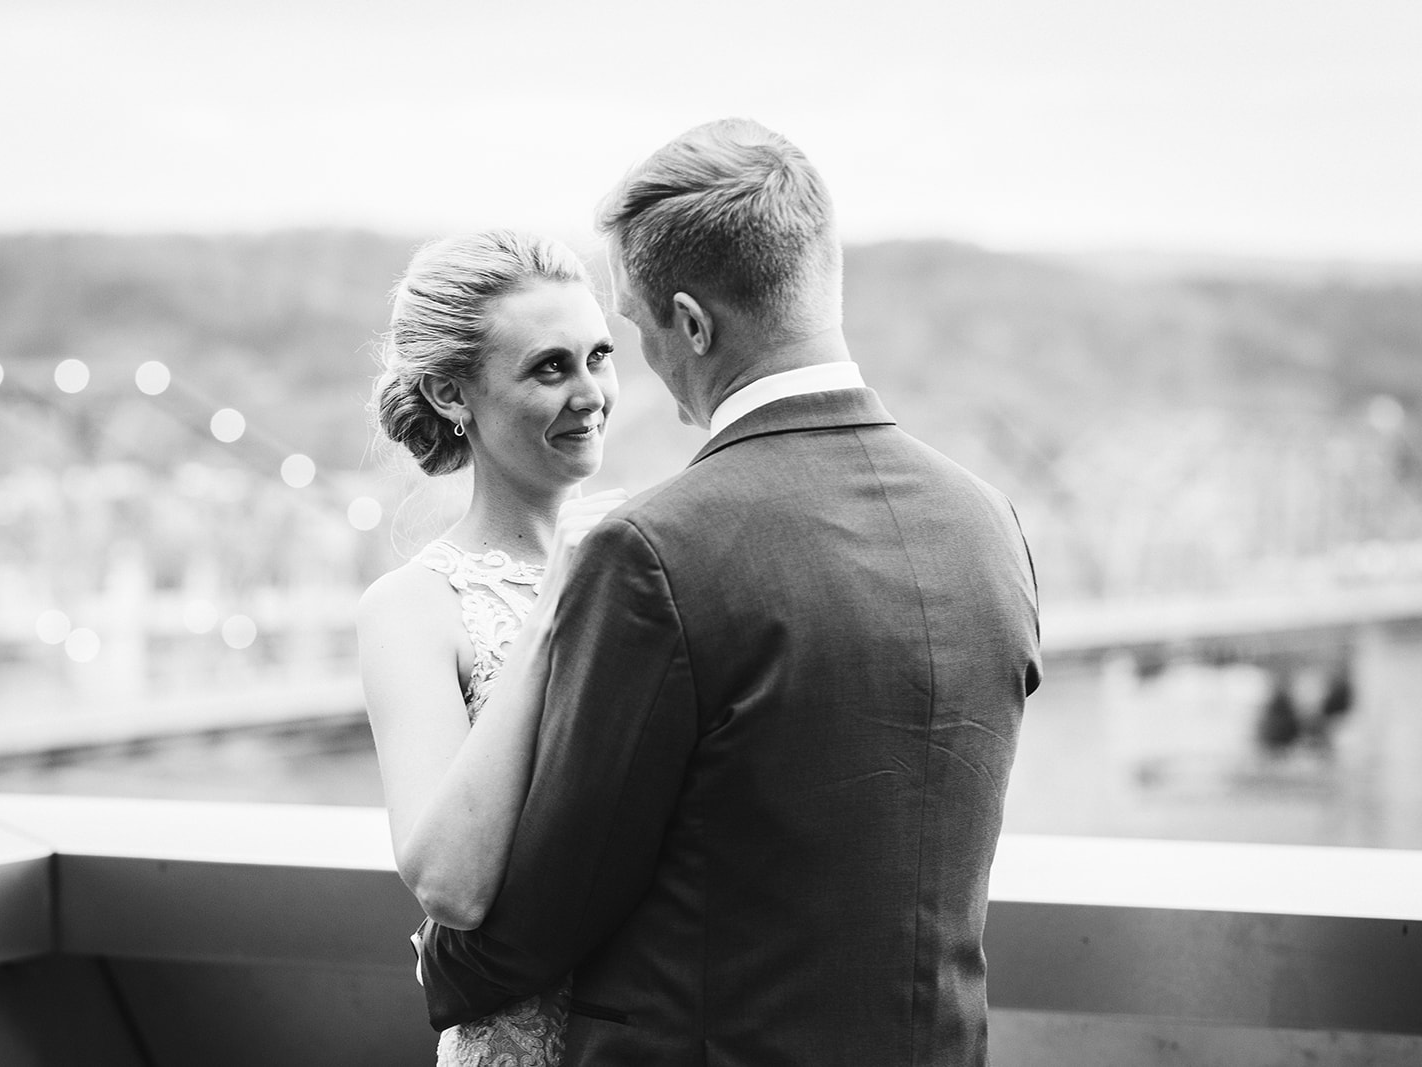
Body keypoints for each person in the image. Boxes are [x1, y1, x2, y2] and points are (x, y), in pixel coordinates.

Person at [415, 119, 1043, 1065]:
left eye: (632, 332)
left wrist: (444, 970)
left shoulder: (655, 552)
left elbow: (559, 886)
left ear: (694, 323)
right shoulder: (989, 524)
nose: (630, 370)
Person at [356, 230, 628, 1066]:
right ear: (450, 392)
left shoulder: (645, 560)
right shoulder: (413, 607)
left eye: (600, 356)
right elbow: (449, 883)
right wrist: (556, 605)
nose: (591, 393)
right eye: (551, 367)